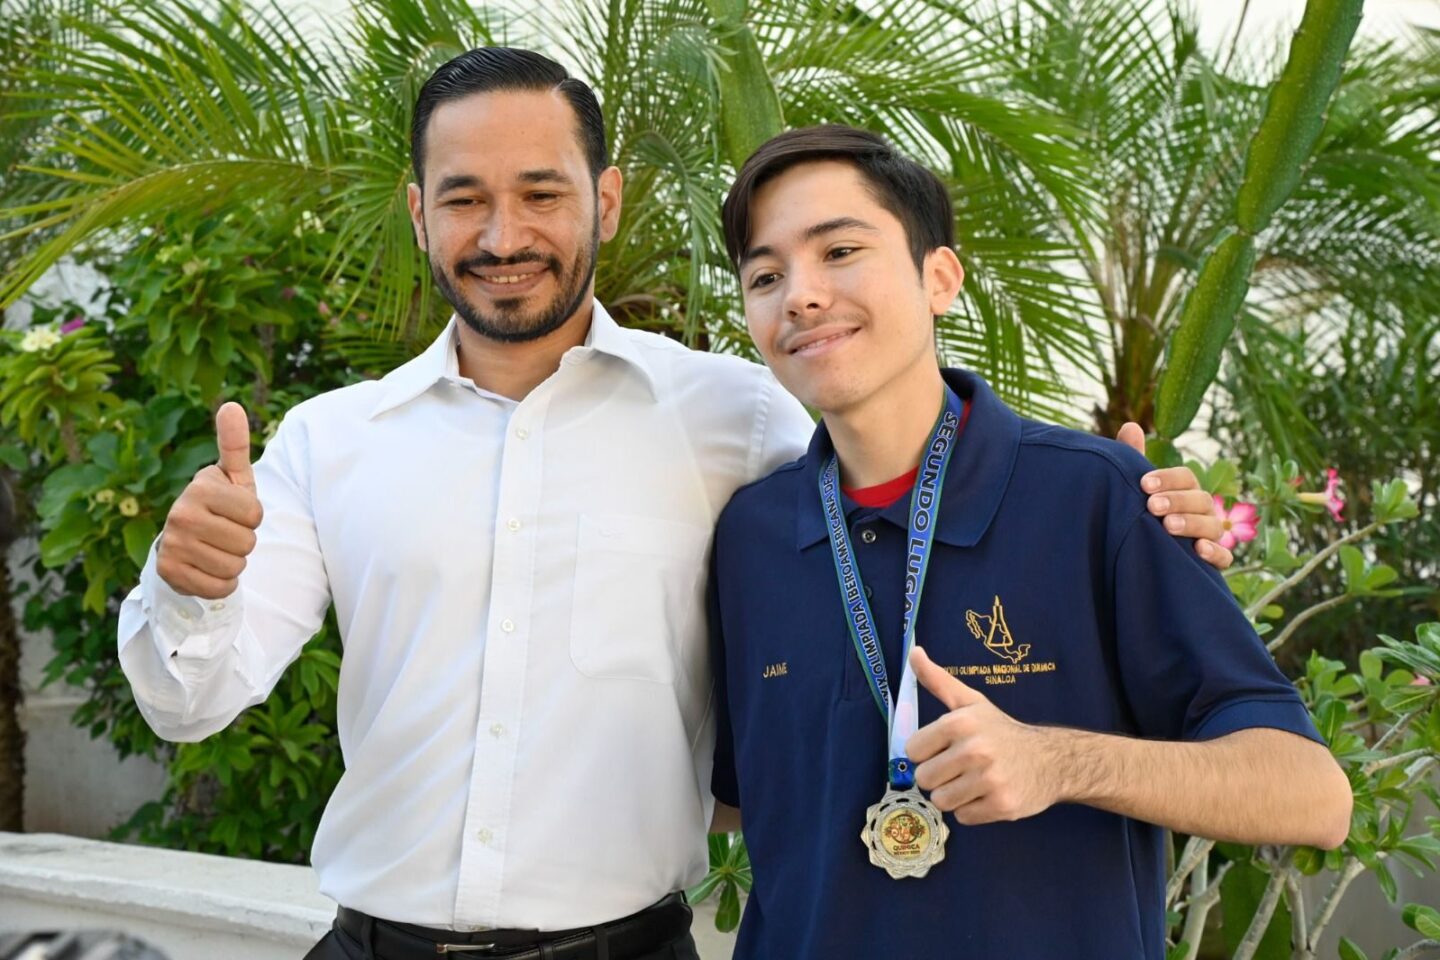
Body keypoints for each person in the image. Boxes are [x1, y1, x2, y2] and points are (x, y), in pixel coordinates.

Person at [116, 49, 1229, 960]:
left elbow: (902, 437)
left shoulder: (734, 416)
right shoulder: (330, 440)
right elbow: (188, 703)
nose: (503, 235)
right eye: (464, 198)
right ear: (419, 213)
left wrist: (1126, 495)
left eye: (541, 192)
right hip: (372, 945)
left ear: (605, 198)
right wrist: (186, 591)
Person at [708, 125, 1353, 959]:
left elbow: (1312, 797)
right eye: (766, 275)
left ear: (939, 278)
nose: (800, 294)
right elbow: (738, 795)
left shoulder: (1098, 497)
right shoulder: (750, 537)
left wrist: (1058, 762)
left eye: (839, 251)